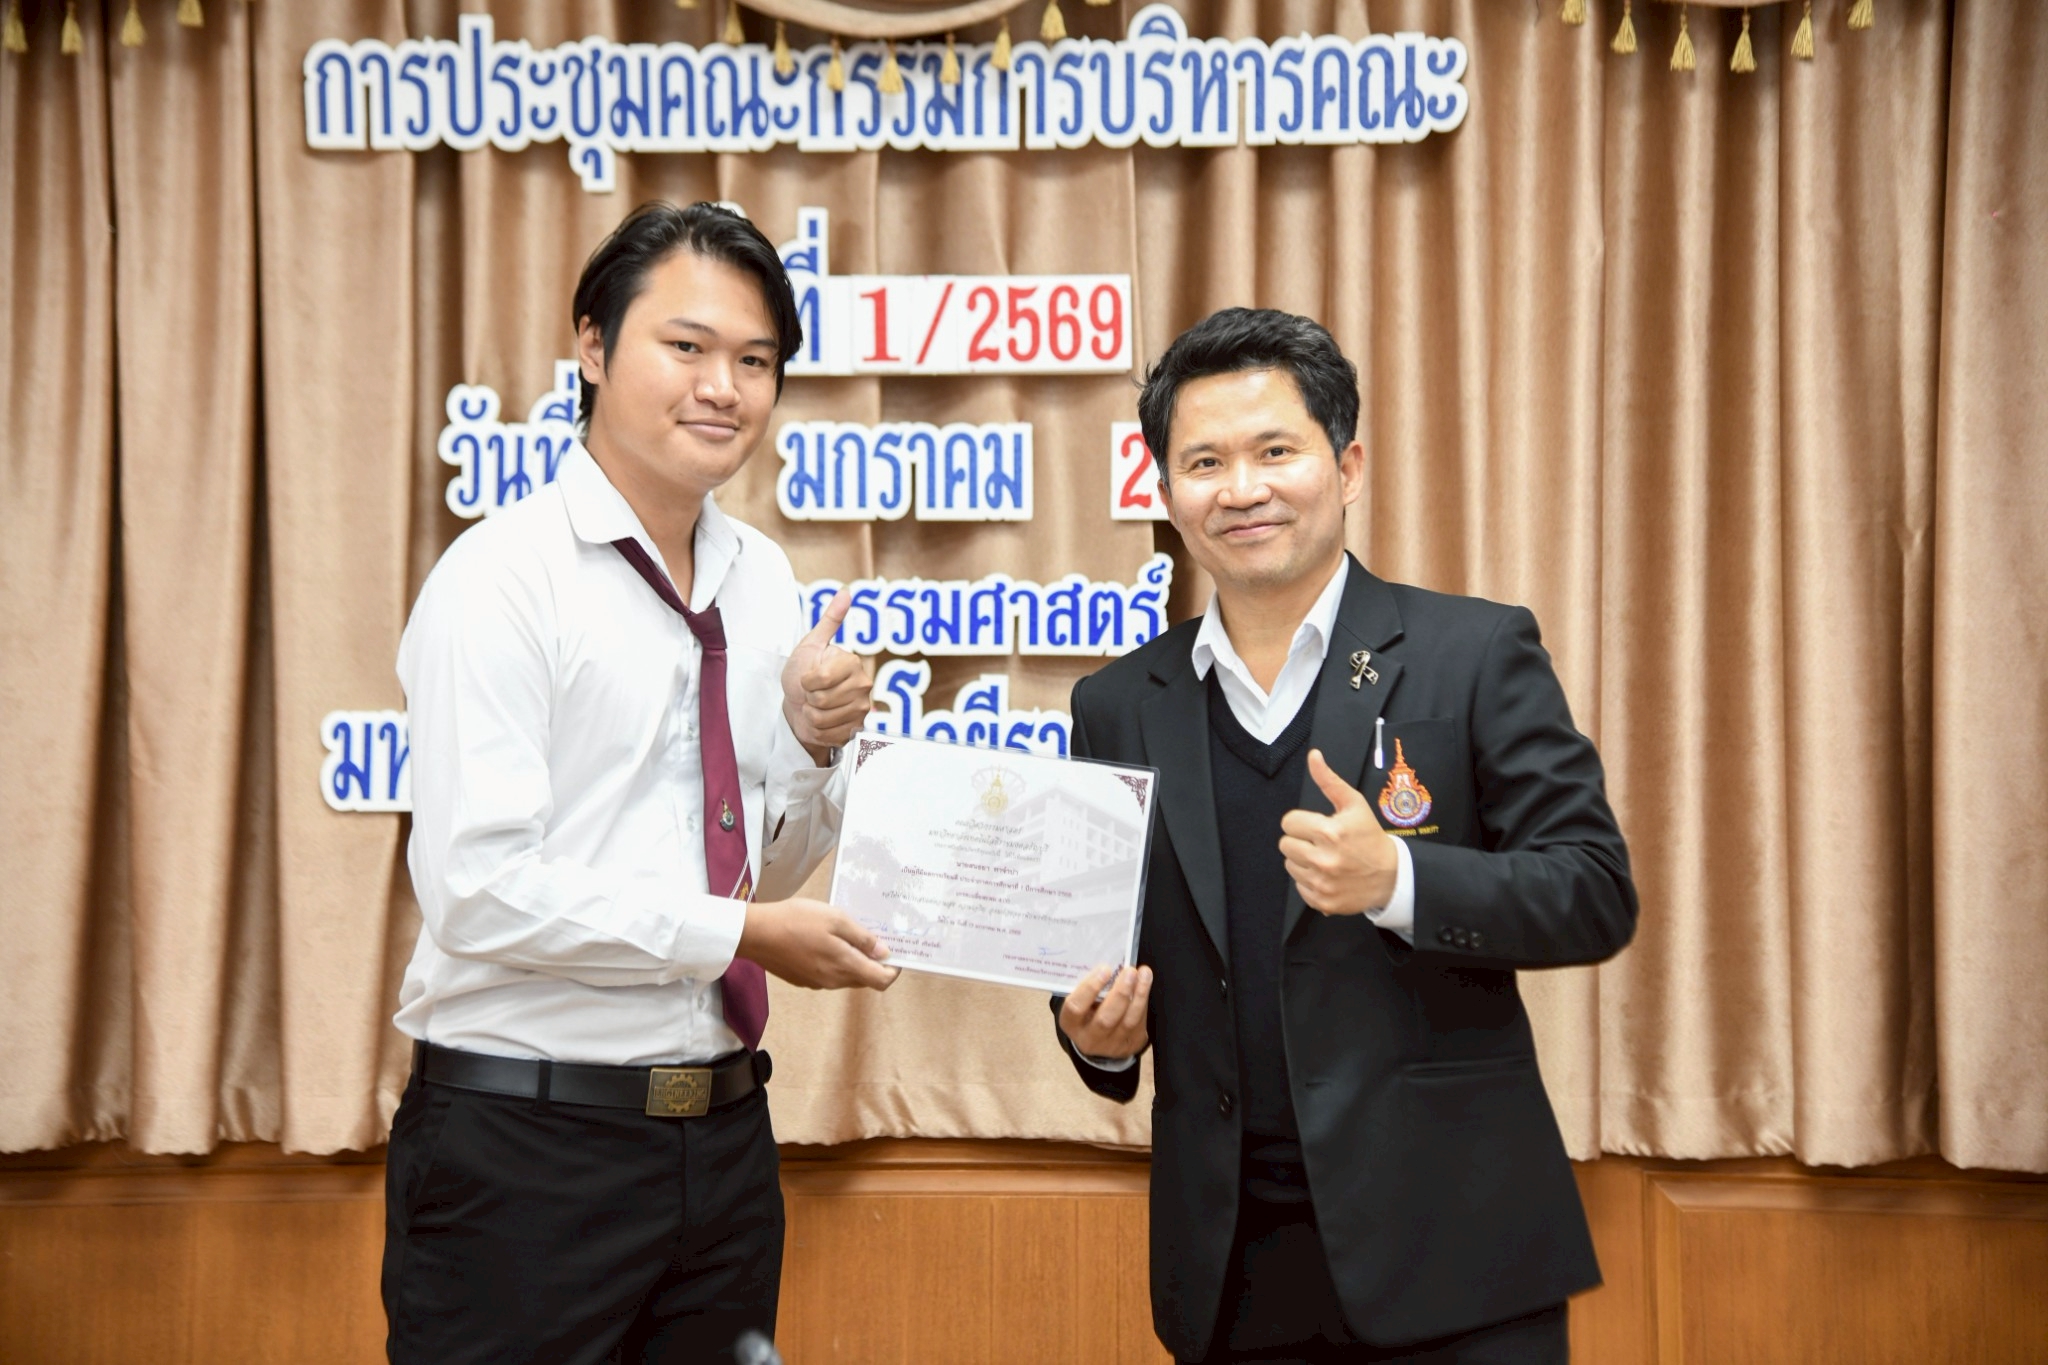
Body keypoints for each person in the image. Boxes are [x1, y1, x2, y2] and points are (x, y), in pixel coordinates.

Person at [1053, 308, 1637, 1364]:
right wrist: (1094, 1037)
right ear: (1165, 492)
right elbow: (1098, 958)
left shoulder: (1472, 651)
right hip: (1231, 1264)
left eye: (1275, 451)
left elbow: (1591, 890)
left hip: (1455, 1253)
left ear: (1347, 466)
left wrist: (1398, 879)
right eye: (1204, 462)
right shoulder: (1117, 704)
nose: (1241, 488)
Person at [382, 201, 898, 1365]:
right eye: (687, 347)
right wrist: (742, 934)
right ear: (592, 346)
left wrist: (814, 746)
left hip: (721, 1141)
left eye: (755, 361)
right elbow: (478, 888)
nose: (724, 388)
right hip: (526, 1151)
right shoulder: (500, 579)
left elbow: (759, 874)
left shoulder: (760, 579)